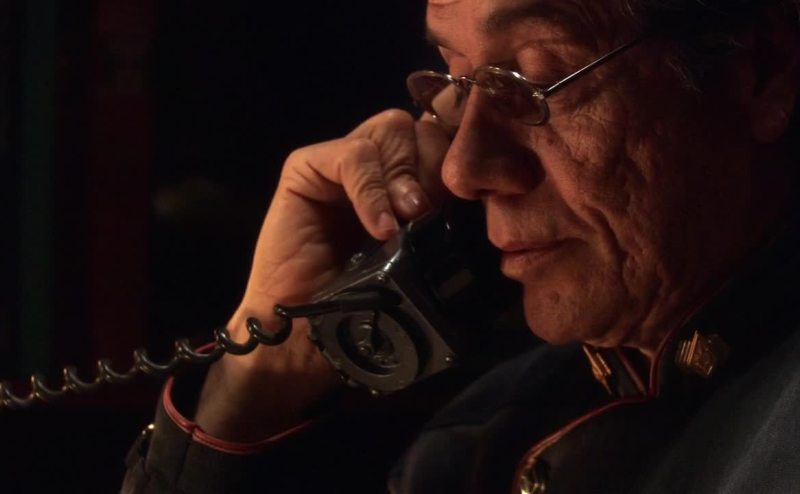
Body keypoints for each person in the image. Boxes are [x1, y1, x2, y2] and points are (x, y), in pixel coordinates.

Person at [122, 0, 800, 492]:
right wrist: (262, 379)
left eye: (533, 79)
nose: (461, 168)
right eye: (454, 81)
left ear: (762, 73)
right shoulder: (476, 442)